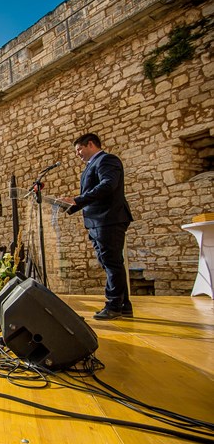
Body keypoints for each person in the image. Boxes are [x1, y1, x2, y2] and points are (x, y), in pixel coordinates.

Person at [62, 133, 134, 320]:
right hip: (98, 221)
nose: (77, 154)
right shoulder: (90, 166)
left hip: (108, 219)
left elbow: (108, 185)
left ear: (91, 144)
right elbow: (92, 194)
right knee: (109, 262)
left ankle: (113, 305)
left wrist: (77, 200)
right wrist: (71, 205)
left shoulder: (107, 160)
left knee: (111, 262)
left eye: (79, 149)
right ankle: (124, 305)